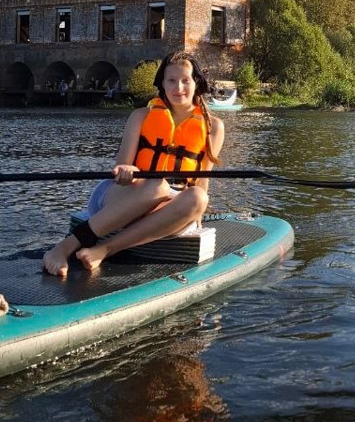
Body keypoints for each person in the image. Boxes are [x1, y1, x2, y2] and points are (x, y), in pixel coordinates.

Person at [42, 50, 225, 276]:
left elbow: (202, 179)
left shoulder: (213, 127)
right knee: (158, 186)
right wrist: (128, 171)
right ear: (162, 84)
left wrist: (196, 215)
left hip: (169, 206)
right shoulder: (140, 116)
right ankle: (64, 247)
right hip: (126, 193)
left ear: (196, 83)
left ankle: (104, 250)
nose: (178, 88)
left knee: (199, 198)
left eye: (185, 80)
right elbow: (122, 166)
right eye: (171, 80)